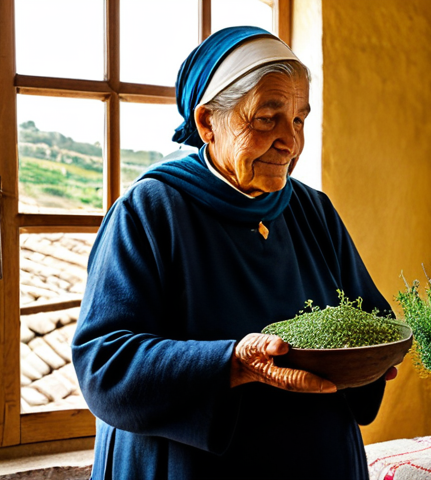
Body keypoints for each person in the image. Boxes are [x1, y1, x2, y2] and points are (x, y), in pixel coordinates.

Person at [72, 26, 397, 480]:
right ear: (207, 122)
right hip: (189, 467)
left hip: (315, 459)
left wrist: (374, 357)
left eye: (299, 119)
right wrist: (234, 363)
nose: (291, 140)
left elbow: (371, 317)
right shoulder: (150, 210)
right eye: (268, 118)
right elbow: (105, 363)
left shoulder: (313, 211)